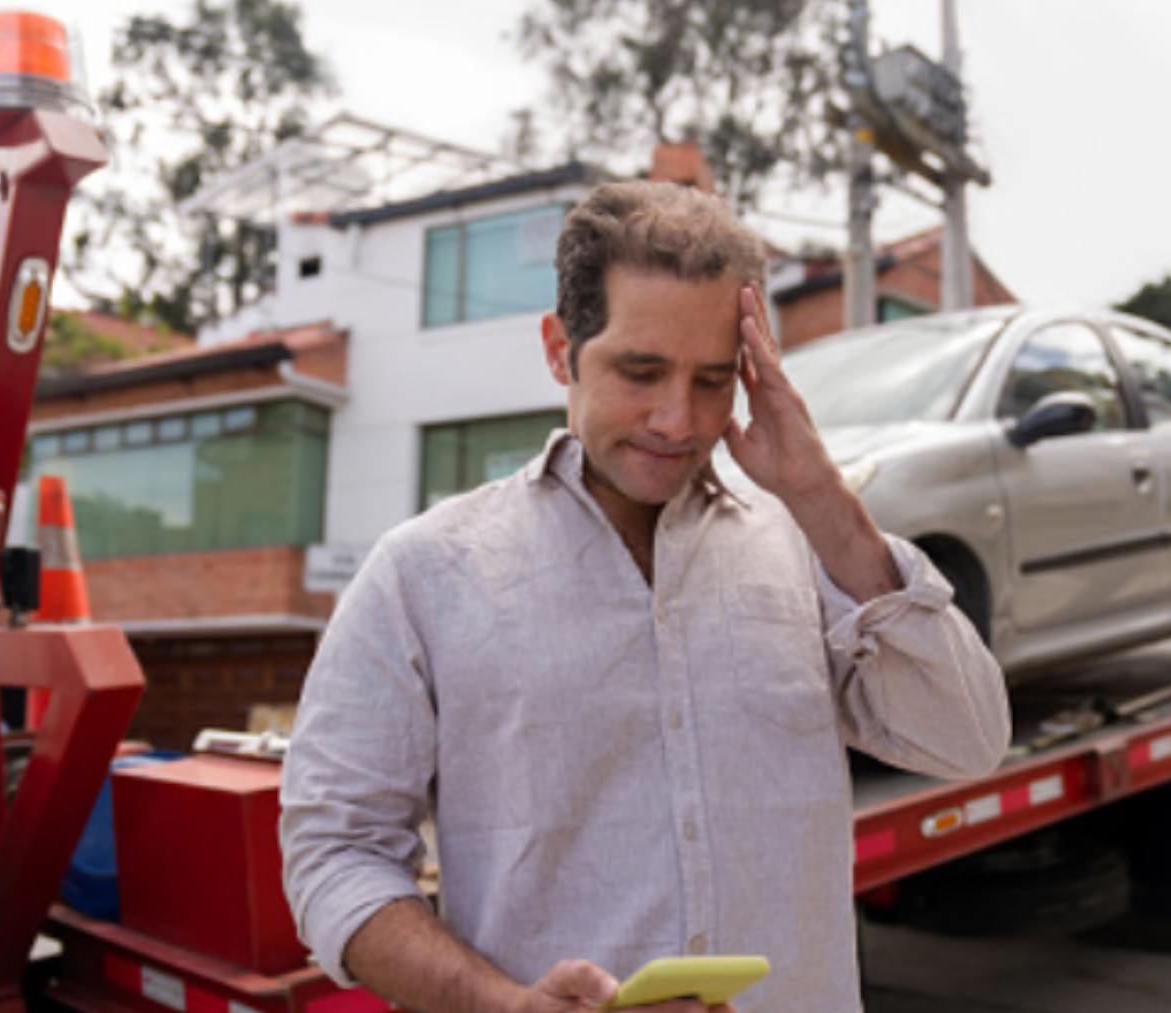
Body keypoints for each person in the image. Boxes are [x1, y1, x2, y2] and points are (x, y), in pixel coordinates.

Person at [280, 180, 1011, 1012]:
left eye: (713, 379)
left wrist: (823, 499)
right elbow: (334, 853)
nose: (678, 419)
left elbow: (970, 739)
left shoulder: (806, 549)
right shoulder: (422, 574)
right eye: (641, 371)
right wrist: (500, 1004)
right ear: (560, 349)